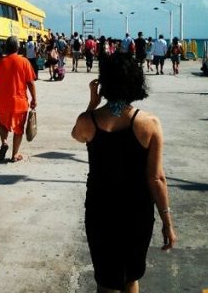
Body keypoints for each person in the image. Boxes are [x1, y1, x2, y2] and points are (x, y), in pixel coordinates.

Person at [71, 53, 176, 293]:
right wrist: (167, 221)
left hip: (100, 211)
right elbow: (156, 178)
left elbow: (76, 135)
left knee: (106, 281)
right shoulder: (149, 123)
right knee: (130, 277)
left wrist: (91, 105)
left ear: (104, 83)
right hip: (137, 212)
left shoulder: (89, 121)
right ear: (136, 81)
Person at [0, 36, 37, 163]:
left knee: (3, 124)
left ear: (5, 48)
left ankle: (4, 142)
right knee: (19, 128)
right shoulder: (24, 62)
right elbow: (31, 83)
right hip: (19, 101)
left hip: (3, 101)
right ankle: (15, 154)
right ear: (18, 47)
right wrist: (34, 99)